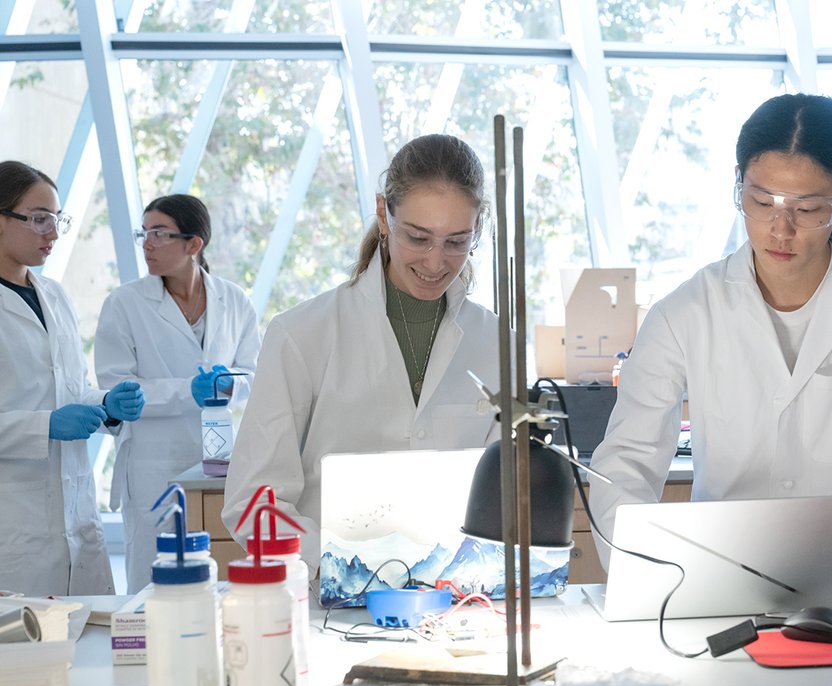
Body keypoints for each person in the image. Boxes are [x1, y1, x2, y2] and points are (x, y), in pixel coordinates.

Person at [588, 93, 832, 567]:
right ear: (738, 185)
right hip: (718, 568)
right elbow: (626, 460)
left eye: (808, 209)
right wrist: (640, 566)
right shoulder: (685, 311)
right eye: (761, 200)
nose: (781, 228)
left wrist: (801, 554)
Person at [222, 134, 503, 570]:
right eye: (418, 237)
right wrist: (343, 564)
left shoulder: (496, 341)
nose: (435, 262)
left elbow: (505, 495)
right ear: (383, 215)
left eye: (456, 241)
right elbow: (253, 504)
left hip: (456, 599)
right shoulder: (301, 334)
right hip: (328, 607)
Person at [95, 194, 260, 593]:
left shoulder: (234, 299)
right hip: (153, 464)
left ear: (193, 244)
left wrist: (230, 384)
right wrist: (188, 391)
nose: (147, 243)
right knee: (152, 581)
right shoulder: (125, 304)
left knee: (217, 575)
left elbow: (253, 374)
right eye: (144, 233)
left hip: (215, 460)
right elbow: (117, 387)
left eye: (159, 233)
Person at [0, 161, 144, 595]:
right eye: (39, 219)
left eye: (57, 219)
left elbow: (71, 387)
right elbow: (49, 411)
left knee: (95, 649)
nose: (54, 233)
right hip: (15, 526)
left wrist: (105, 406)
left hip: (78, 522)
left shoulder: (54, 295)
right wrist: (46, 425)